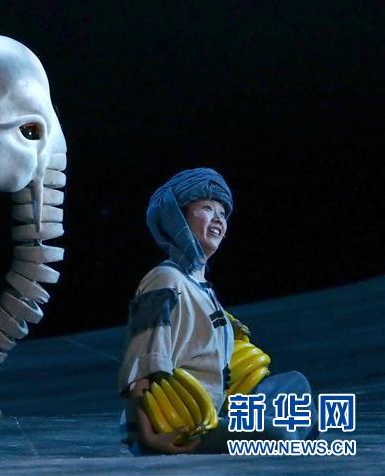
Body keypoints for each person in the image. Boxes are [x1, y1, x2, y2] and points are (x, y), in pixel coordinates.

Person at [119, 168, 316, 454]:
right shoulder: (165, 280)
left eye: (222, 213)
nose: (218, 219)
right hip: (177, 423)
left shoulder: (201, 287)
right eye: (207, 208)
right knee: (280, 434)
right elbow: (141, 362)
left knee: (294, 386)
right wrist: (149, 437)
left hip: (216, 409)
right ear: (177, 217)